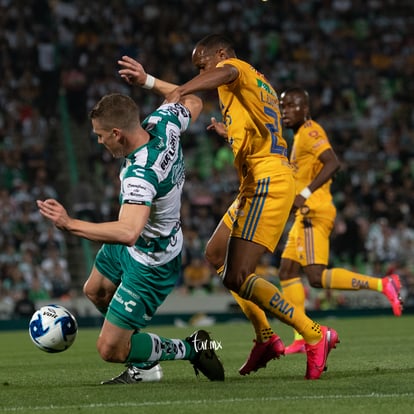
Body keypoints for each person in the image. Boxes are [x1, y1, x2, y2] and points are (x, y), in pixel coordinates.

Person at [118, 34, 339, 380]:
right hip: (257, 180)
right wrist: (149, 81)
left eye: (202, 65)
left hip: (269, 180)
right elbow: (218, 99)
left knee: (239, 274)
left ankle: (313, 333)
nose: (201, 71)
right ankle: (266, 337)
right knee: (216, 254)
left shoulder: (235, 68)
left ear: (220, 54)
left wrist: (180, 90)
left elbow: (215, 78)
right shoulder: (246, 87)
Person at [36, 90, 225, 384]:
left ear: (117, 133)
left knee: (109, 349)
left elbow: (127, 232)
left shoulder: (141, 173)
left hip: (151, 258)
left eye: (101, 136)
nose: (100, 142)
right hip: (136, 244)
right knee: (95, 291)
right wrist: (149, 81)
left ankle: (192, 348)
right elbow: (193, 100)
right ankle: (144, 361)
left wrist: (70, 224)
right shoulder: (163, 120)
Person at [276, 87, 403, 354]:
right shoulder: (298, 136)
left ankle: (383, 284)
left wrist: (305, 193)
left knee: (315, 276)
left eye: (291, 106)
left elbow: (333, 163)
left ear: (305, 109)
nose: (285, 111)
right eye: (282, 106)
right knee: (287, 271)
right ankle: (301, 335)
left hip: (314, 211)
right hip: (304, 213)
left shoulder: (311, 132)